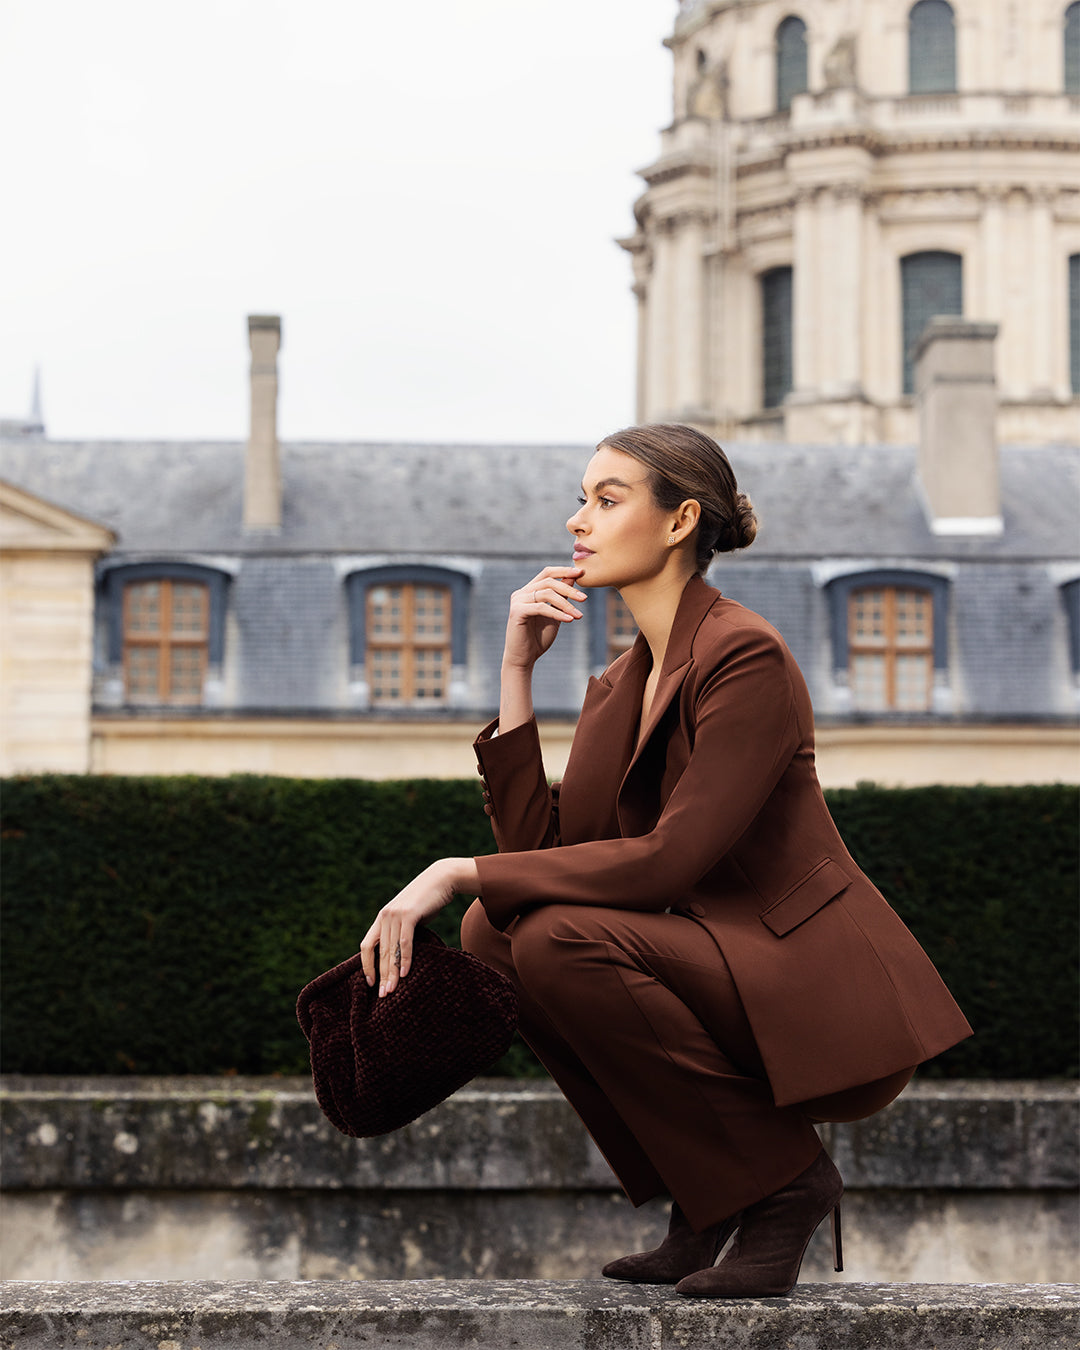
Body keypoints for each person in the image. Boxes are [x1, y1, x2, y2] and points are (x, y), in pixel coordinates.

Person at [359, 423, 971, 1298]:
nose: (578, 521)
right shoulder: (618, 684)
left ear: (681, 521)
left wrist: (454, 867)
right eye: (581, 499)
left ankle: (788, 1184)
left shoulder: (743, 654)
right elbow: (539, 860)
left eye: (606, 500)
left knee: (550, 932)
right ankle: (709, 1193)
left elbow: (667, 863)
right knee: (495, 931)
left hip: (803, 983)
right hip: (714, 966)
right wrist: (516, 671)